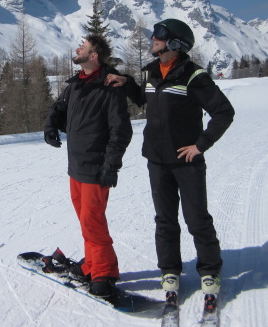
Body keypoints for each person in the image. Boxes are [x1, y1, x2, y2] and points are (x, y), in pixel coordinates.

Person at [105, 19, 234, 305]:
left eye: (160, 35)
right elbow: (144, 99)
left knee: (197, 219)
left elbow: (224, 112)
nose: (153, 38)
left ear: (176, 43)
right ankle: (170, 270)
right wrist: (126, 82)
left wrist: (200, 145)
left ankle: (210, 271)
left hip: (186, 162)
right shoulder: (152, 73)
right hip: (156, 160)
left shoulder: (193, 76)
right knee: (164, 220)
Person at [44, 34, 133, 297]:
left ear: (93, 56)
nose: (77, 48)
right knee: (86, 222)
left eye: (82, 47)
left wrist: (111, 166)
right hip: (76, 166)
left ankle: (104, 273)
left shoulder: (108, 86)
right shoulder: (75, 84)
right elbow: (58, 107)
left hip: (95, 168)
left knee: (93, 222)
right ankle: (92, 265)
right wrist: (51, 125)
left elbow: (121, 130)